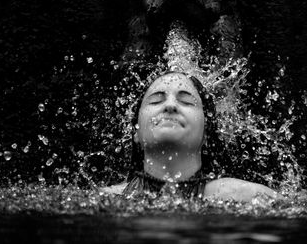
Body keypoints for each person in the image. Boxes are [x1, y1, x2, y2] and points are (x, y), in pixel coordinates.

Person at [102, 71, 279, 202]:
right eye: (156, 100)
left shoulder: (247, 196)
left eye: (186, 102)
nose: (170, 105)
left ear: (206, 133)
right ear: (136, 133)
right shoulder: (107, 199)